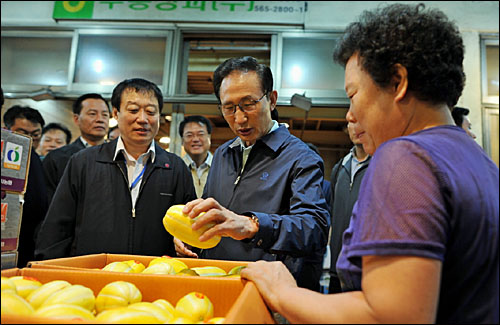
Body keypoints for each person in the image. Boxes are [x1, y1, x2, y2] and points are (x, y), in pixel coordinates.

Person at [240, 3, 499, 324]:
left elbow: (390, 316)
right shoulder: (482, 162)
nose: (350, 115)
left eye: (353, 94)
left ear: (397, 81)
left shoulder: (405, 158)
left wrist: (282, 292)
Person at [176, 56, 330, 291]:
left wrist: (254, 225)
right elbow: (213, 217)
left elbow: (313, 228)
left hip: (266, 291)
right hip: (216, 284)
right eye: (229, 107)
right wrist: (191, 235)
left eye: (248, 104)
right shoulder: (223, 154)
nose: (239, 119)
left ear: (272, 100)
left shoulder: (301, 157)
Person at [35, 78, 196, 260]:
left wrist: (185, 243)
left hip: (153, 275)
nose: (142, 119)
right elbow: (57, 226)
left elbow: (190, 226)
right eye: (133, 110)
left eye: (151, 112)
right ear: (115, 113)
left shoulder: (175, 167)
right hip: (93, 274)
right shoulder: (84, 162)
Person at [3, 105, 49, 267]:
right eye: (23, 133)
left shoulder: (37, 159)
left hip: (31, 242)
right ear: (7, 129)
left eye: (35, 134)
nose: (29, 139)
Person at [42, 93, 110, 203]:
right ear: (76, 119)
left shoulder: (119, 157)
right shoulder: (57, 158)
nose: (100, 119)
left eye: (105, 115)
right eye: (92, 114)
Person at [328, 121, 370, 294]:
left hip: (364, 271)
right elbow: (331, 212)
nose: (357, 126)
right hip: (336, 268)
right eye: (352, 122)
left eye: (362, 120)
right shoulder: (339, 168)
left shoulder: (381, 165)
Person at [179, 115, 213, 198]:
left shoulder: (222, 167)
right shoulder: (177, 168)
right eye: (189, 135)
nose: (195, 139)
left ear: (209, 137)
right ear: (182, 141)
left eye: (200, 134)